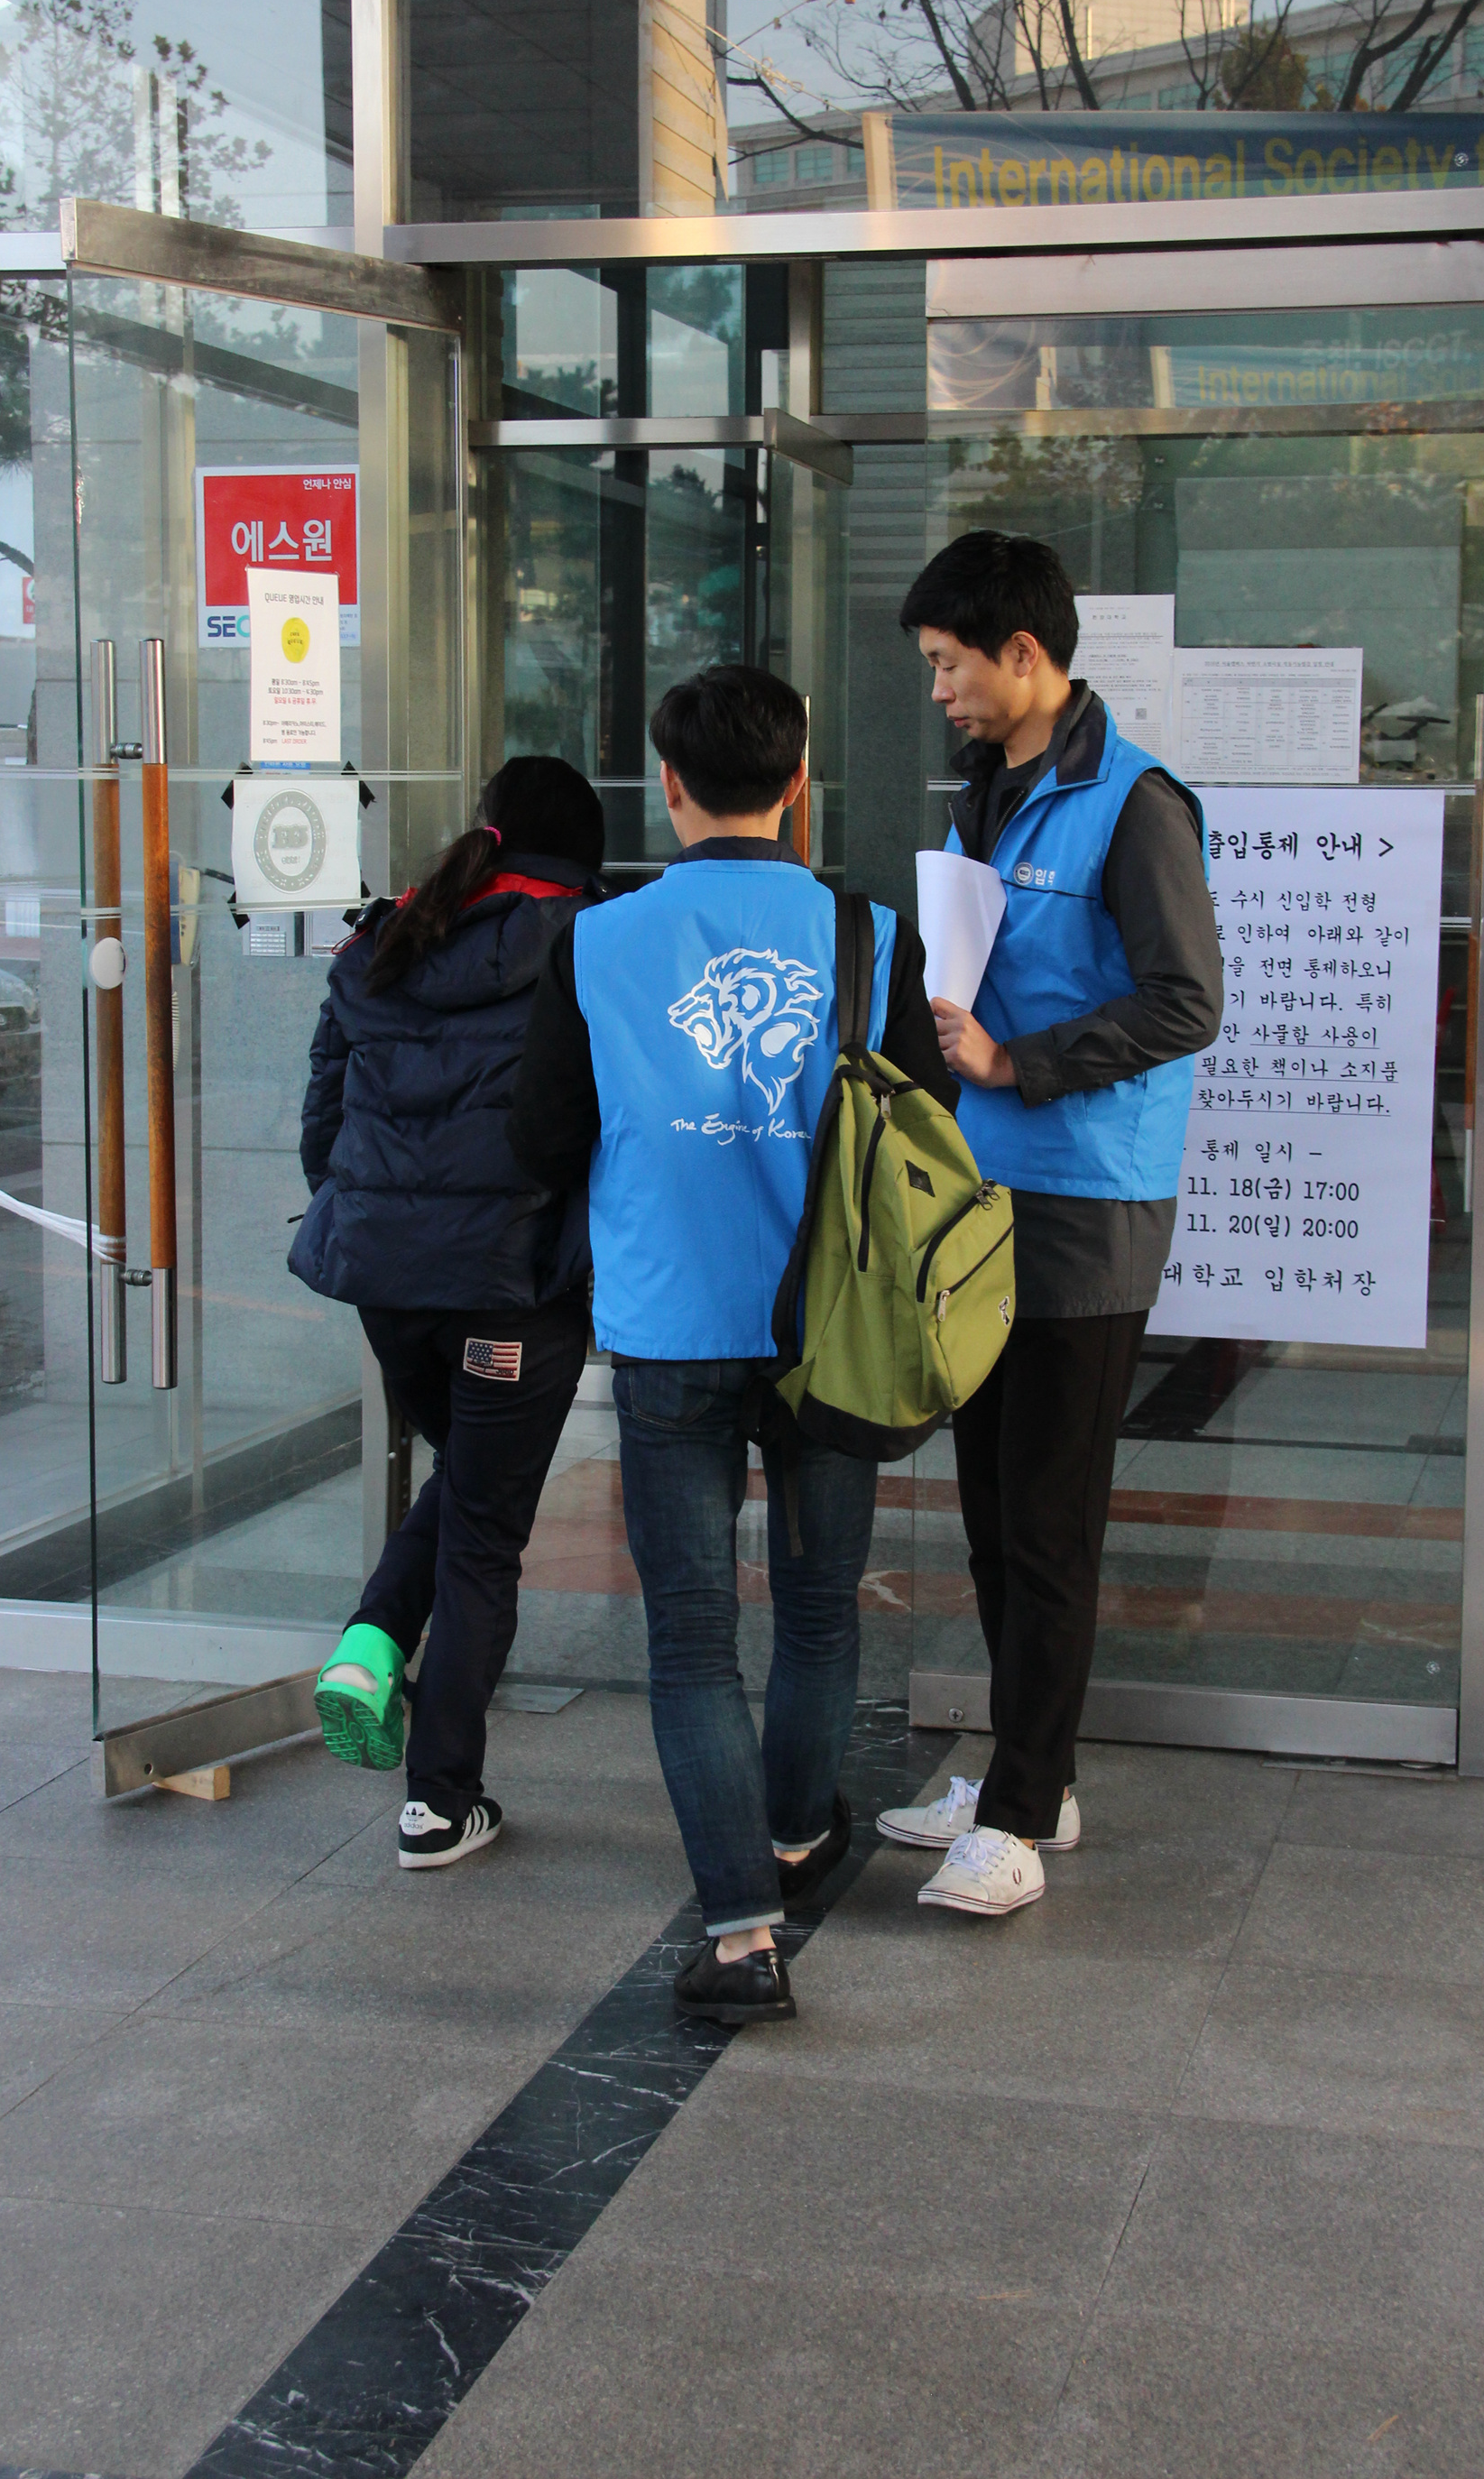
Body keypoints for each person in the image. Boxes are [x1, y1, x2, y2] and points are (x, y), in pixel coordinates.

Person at [507, 664, 955, 2025]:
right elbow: (927, 1125)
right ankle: (802, 1836)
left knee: (694, 1641)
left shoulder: (595, 941)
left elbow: (538, 1138)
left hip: (668, 1331)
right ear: (799, 784)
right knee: (819, 1609)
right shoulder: (868, 934)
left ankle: (742, 1935)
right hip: (835, 1335)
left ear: (672, 787)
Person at [877, 531, 1223, 1917]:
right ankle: (1036, 1771)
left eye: (951, 665)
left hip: (1086, 1203)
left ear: (1025, 655)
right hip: (983, 1194)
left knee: (1051, 1522)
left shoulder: (1136, 803)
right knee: (990, 1505)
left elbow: (1185, 1001)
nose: (942, 692)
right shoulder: (990, 789)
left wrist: (1021, 1064)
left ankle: (1021, 1814)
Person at [290, 756, 606, 1868]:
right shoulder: (588, 941)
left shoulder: (391, 936)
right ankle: (437, 1800)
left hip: (388, 1282)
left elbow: (322, 1129)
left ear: (488, 829)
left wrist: (389, 1218)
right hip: (514, 1284)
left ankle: (370, 1643)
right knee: (481, 1528)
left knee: (468, 1480)